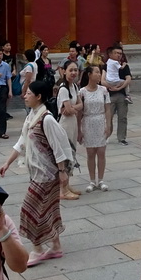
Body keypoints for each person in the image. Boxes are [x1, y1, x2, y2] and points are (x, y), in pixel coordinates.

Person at [0, 79, 72, 266]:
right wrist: (7, 162)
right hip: (37, 173)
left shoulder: (46, 119)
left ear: (39, 97)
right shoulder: (31, 116)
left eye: (29, 93)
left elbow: (58, 148)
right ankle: (55, 246)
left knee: (29, 211)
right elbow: (22, 143)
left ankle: (38, 249)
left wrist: (63, 172)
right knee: (49, 209)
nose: (25, 96)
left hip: (48, 175)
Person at [77, 64, 111, 192]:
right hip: (88, 121)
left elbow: (108, 109)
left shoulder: (103, 90)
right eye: (96, 72)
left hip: (100, 120)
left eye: (99, 72)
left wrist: (108, 124)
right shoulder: (82, 92)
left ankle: (101, 179)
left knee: (101, 152)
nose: (99, 75)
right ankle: (92, 180)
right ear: (89, 74)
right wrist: (79, 129)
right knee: (90, 153)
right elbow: (80, 113)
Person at [55, 60, 83, 200]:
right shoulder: (63, 89)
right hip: (65, 124)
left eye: (75, 70)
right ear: (64, 71)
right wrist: (73, 109)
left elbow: (79, 105)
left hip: (72, 123)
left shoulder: (75, 87)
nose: (73, 73)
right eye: (70, 70)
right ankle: (62, 189)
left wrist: (73, 109)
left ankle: (67, 184)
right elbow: (67, 109)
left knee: (71, 152)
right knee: (65, 154)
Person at [105, 45, 131, 145]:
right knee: (108, 117)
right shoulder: (106, 65)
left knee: (122, 117)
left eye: (120, 53)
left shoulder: (125, 66)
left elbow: (128, 79)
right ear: (110, 54)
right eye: (116, 53)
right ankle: (106, 135)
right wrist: (111, 87)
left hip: (121, 95)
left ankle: (121, 138)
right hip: (110, 95)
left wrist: (119, 88)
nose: (119, 55)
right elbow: (102, 80)